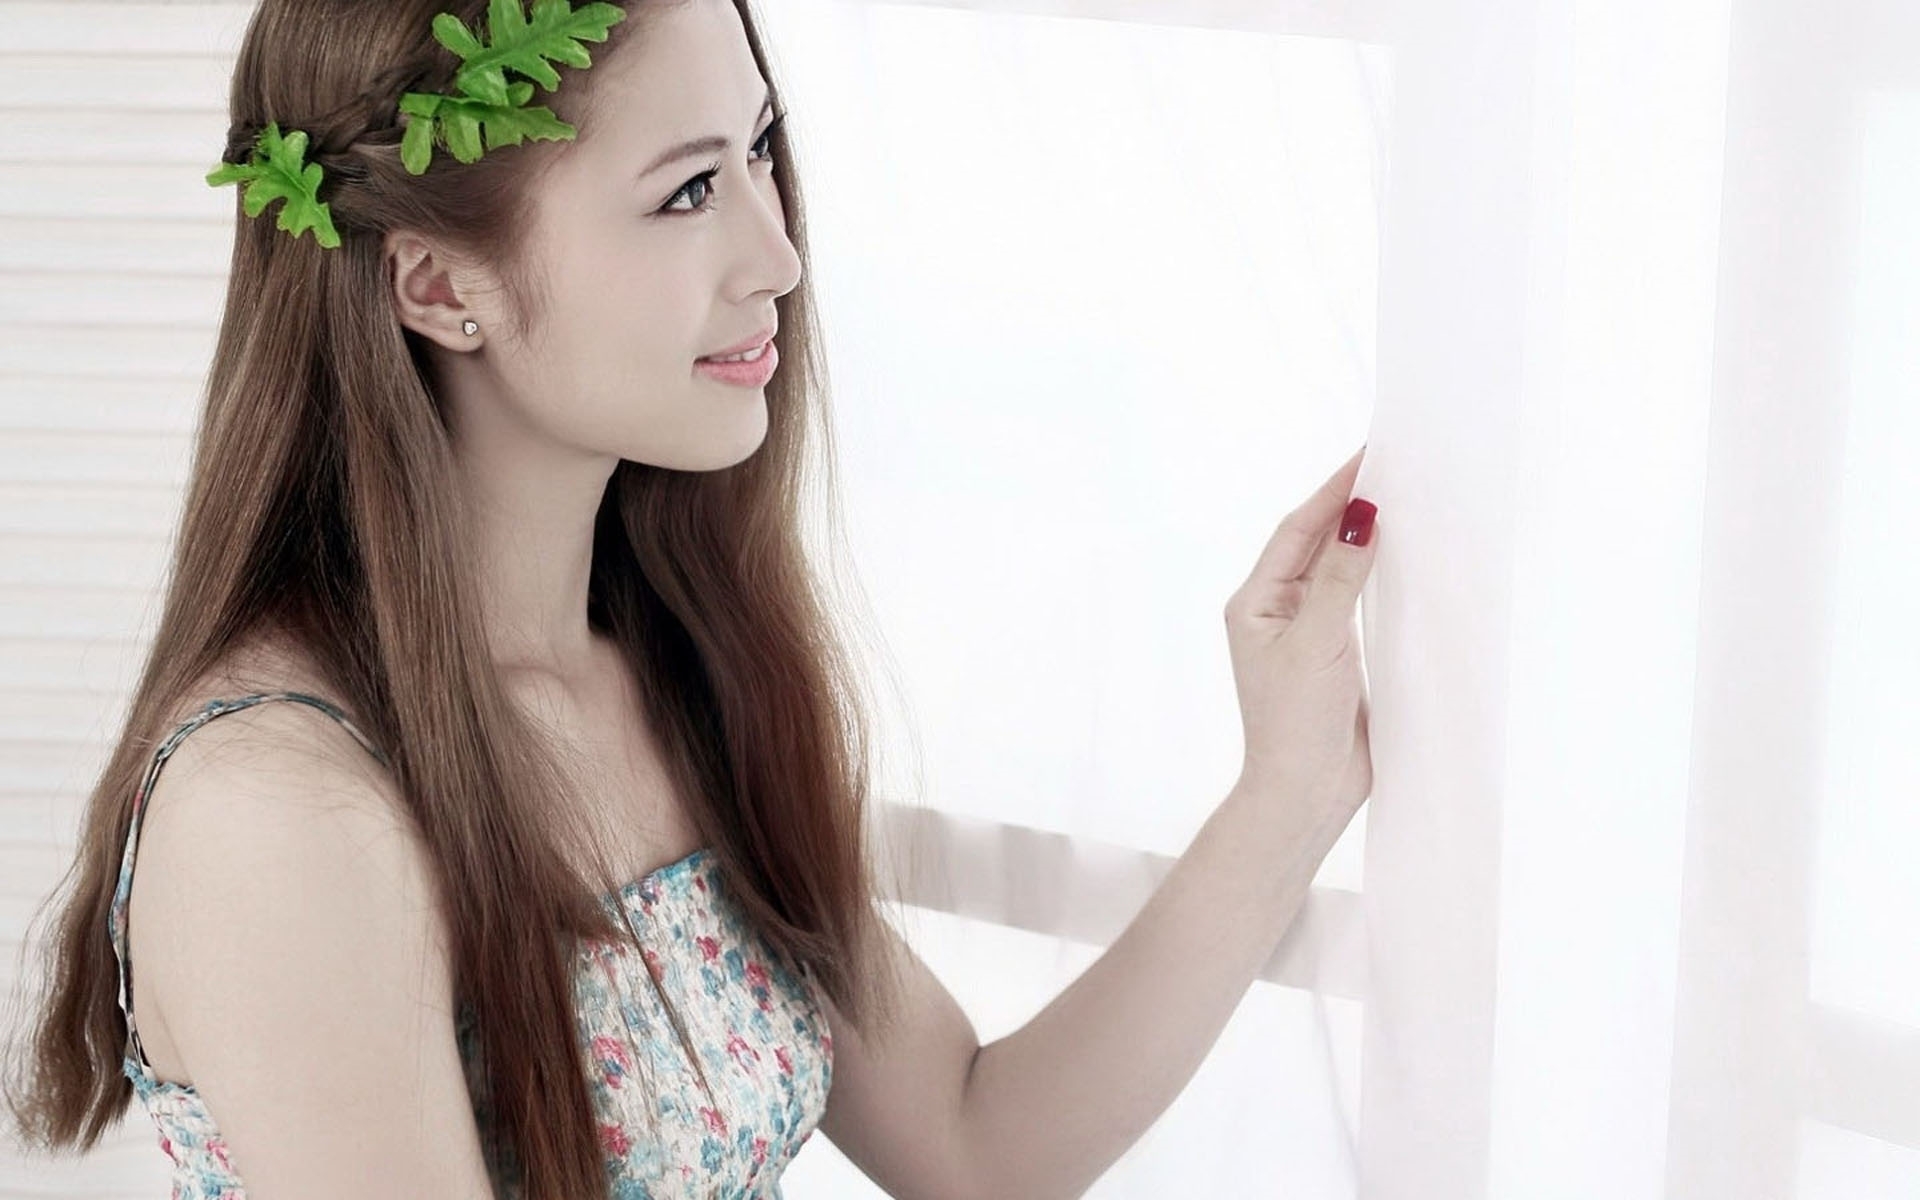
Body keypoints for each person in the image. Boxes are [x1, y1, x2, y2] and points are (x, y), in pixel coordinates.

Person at [0, 1, 1381, 1196]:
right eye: (687, 192)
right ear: (436, 282)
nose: (778, 256)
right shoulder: (280, 812)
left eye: (760, 150)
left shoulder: (665, 674)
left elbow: (976, 1146)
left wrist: (1293, 790)